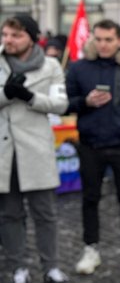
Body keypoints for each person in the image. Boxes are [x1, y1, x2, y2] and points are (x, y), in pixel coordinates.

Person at [66, 19, 120, 275]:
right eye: (99, 39)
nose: (103, 44)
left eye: (108, 39)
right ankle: (90, 248)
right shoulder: (79, 68)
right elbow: (67, 103)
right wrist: (86, 102)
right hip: (90, 144)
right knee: (89, 198)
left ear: (119, 41)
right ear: (92, 39)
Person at [0, 15, 70, 283]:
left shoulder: (51, 65)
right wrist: (6, 94)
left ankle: (51, 267)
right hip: (4, 151)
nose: (8, 40)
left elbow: (60, 104)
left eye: (16, 35)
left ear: (31, 38)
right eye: (5, 34)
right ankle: (18, 267)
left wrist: (30, 97)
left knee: (45, 213)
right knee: (10, 214)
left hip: (36, 150)